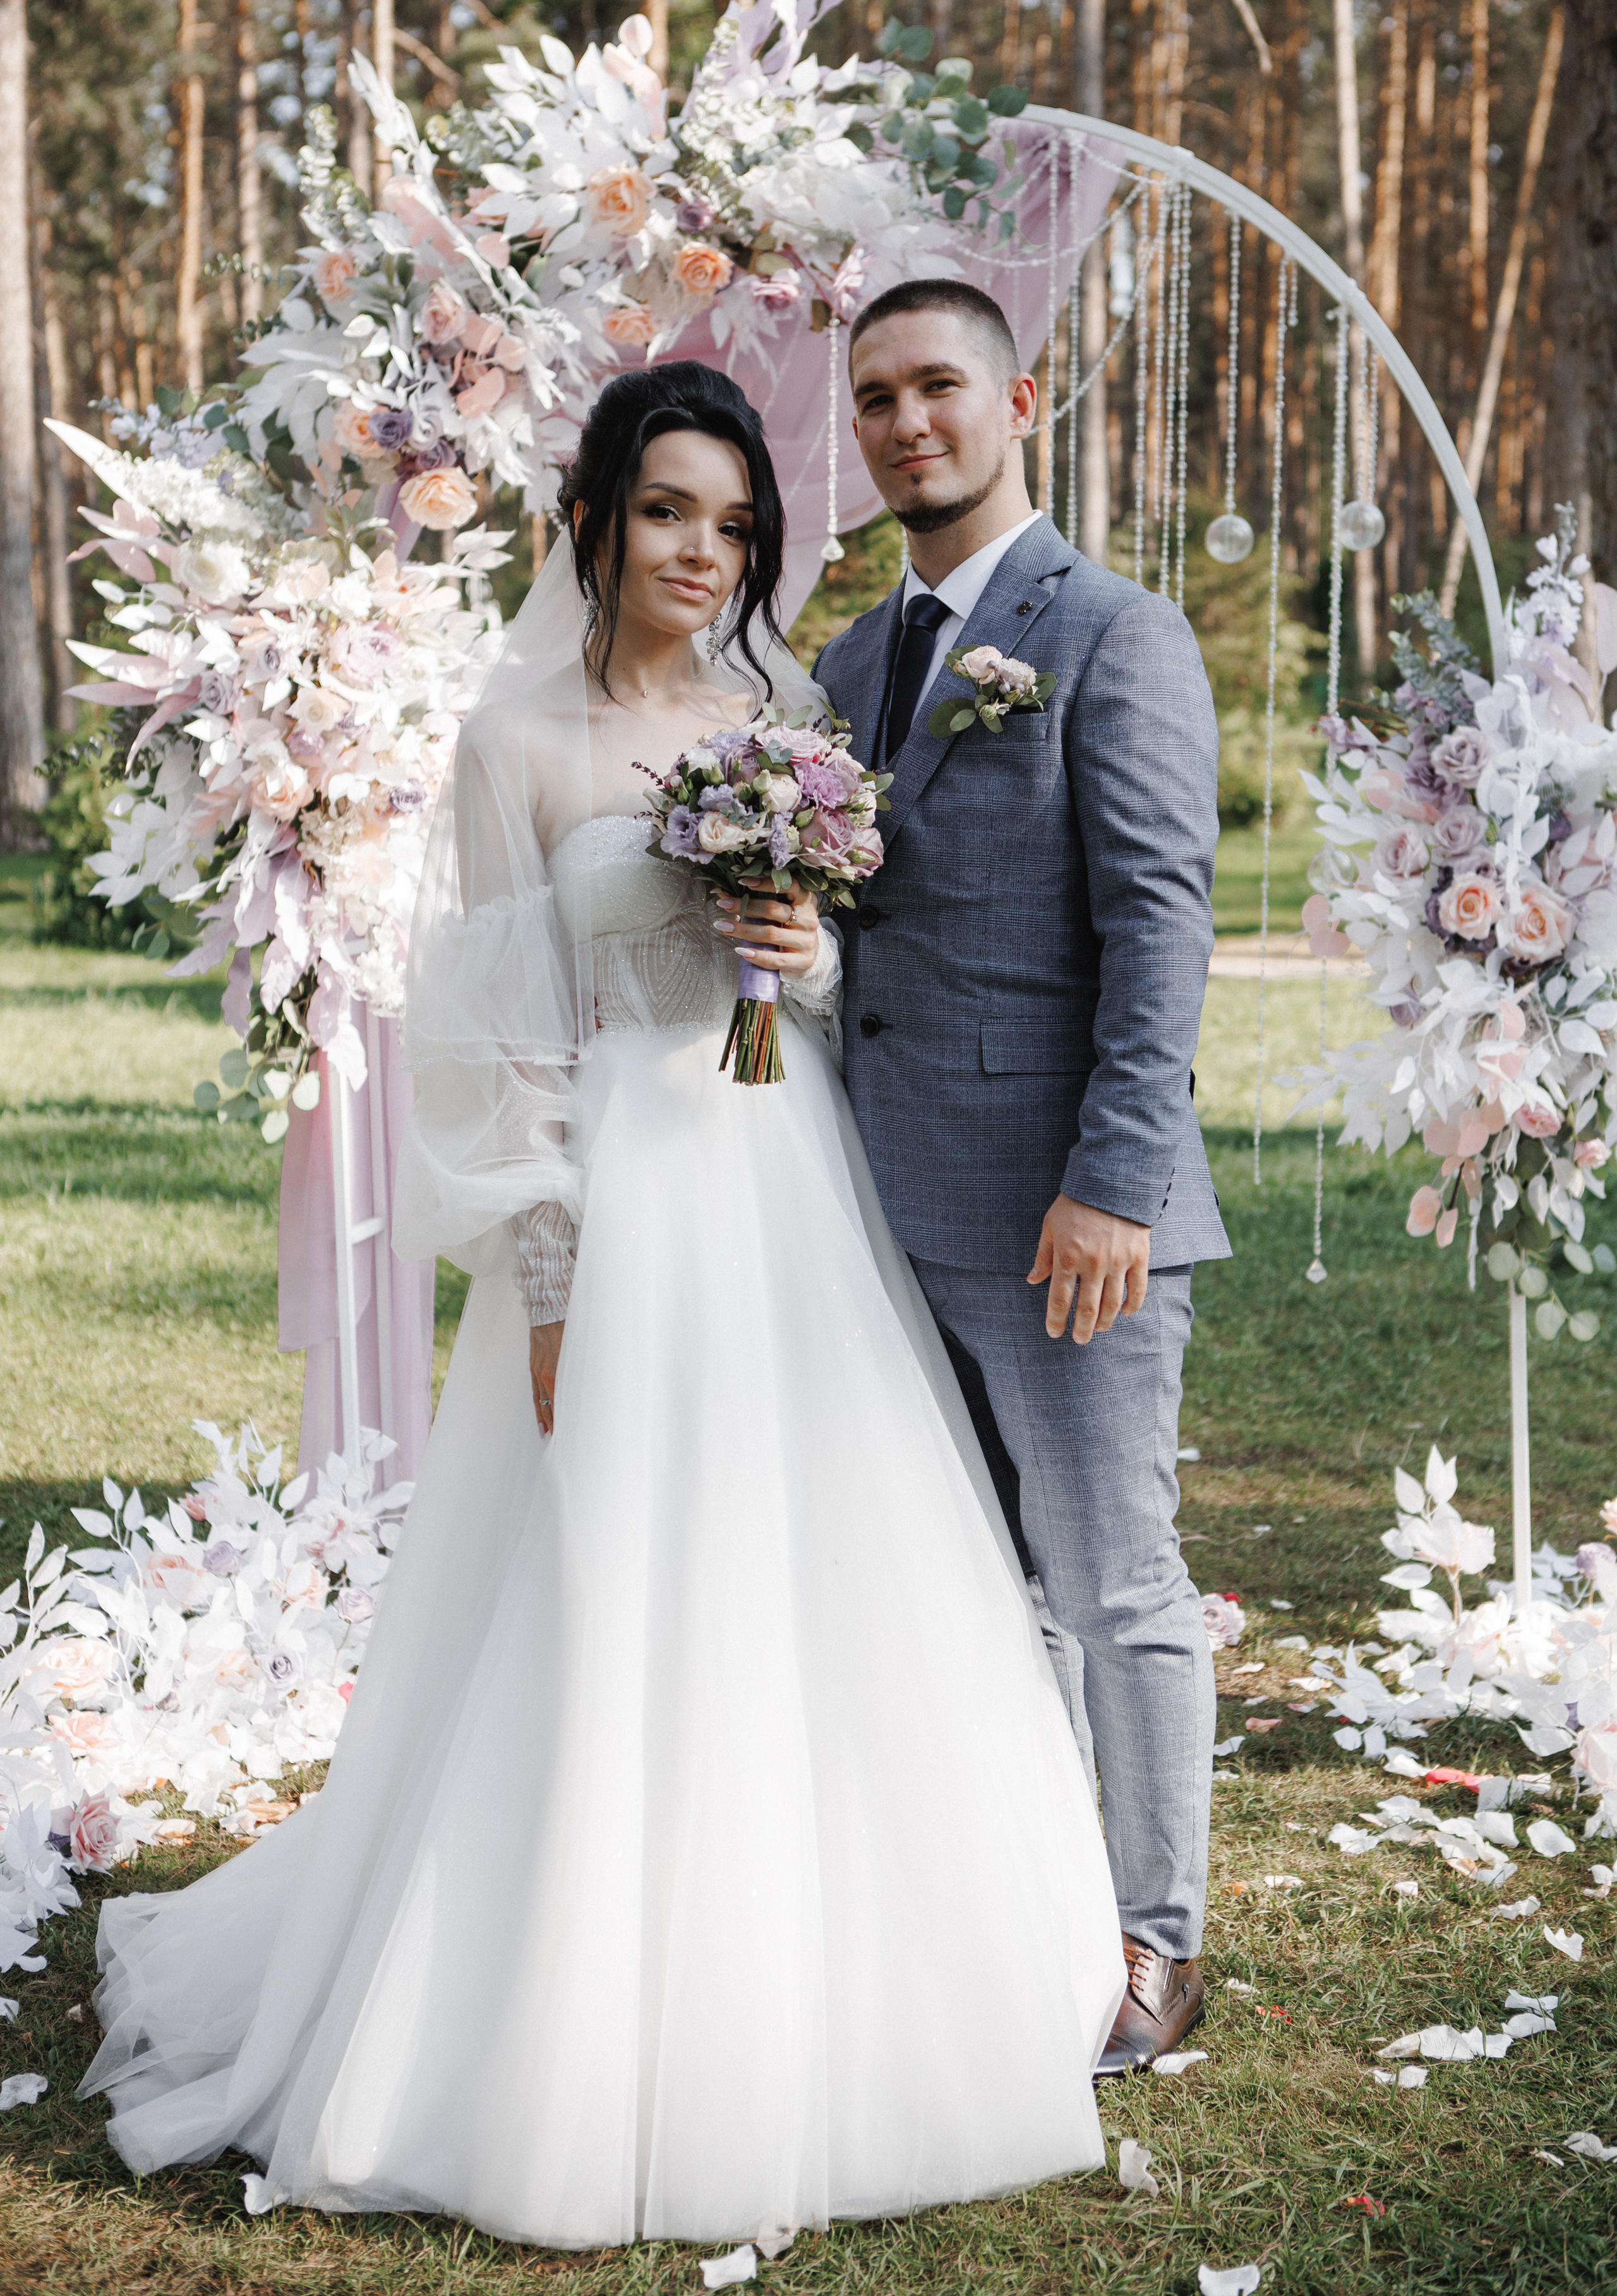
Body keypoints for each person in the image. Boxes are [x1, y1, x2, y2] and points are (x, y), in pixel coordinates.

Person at [78, 361, 1126, 2251]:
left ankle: (868, 1978)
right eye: (666, 512)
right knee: (608, 1576)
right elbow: (492, 1045)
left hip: (784, 1181)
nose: (698, 551)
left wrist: (800, 953)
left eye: (730, 523)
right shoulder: (520, 740)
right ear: (598, 518)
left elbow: (821, 996)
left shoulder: (784, 712)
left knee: (818, 1559)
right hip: (619, 1210)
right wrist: (552, 1282)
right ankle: (560, 2010)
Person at [817, 279, 1230, 2076]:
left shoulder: (1116, 635)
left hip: (1067, 1219)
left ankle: (1154, 1941)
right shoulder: (847, 662)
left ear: (1020, 399)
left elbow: (1159, 924)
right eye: (877, 400)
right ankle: (1020, 1906)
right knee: (979, 1587)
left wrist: (1117, 1186)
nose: (908, 424)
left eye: (939, 389)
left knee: (1117, 1580)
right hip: (876, 1211)